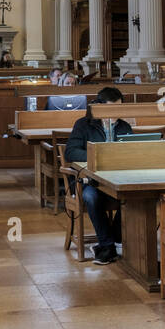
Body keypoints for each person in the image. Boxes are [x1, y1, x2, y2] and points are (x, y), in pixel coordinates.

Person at [64, 88, 132, 264]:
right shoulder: (83, 124)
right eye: (111, 109)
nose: (115, 114)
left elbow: (132, 151)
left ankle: (111, 241)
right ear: (99, 107)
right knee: (91, 197)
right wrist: (97, 156)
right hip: (90, 180)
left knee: (135, 196)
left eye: (118, 109)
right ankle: (108, 244)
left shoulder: (124, 126)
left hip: (118, 178)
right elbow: (70, 152)